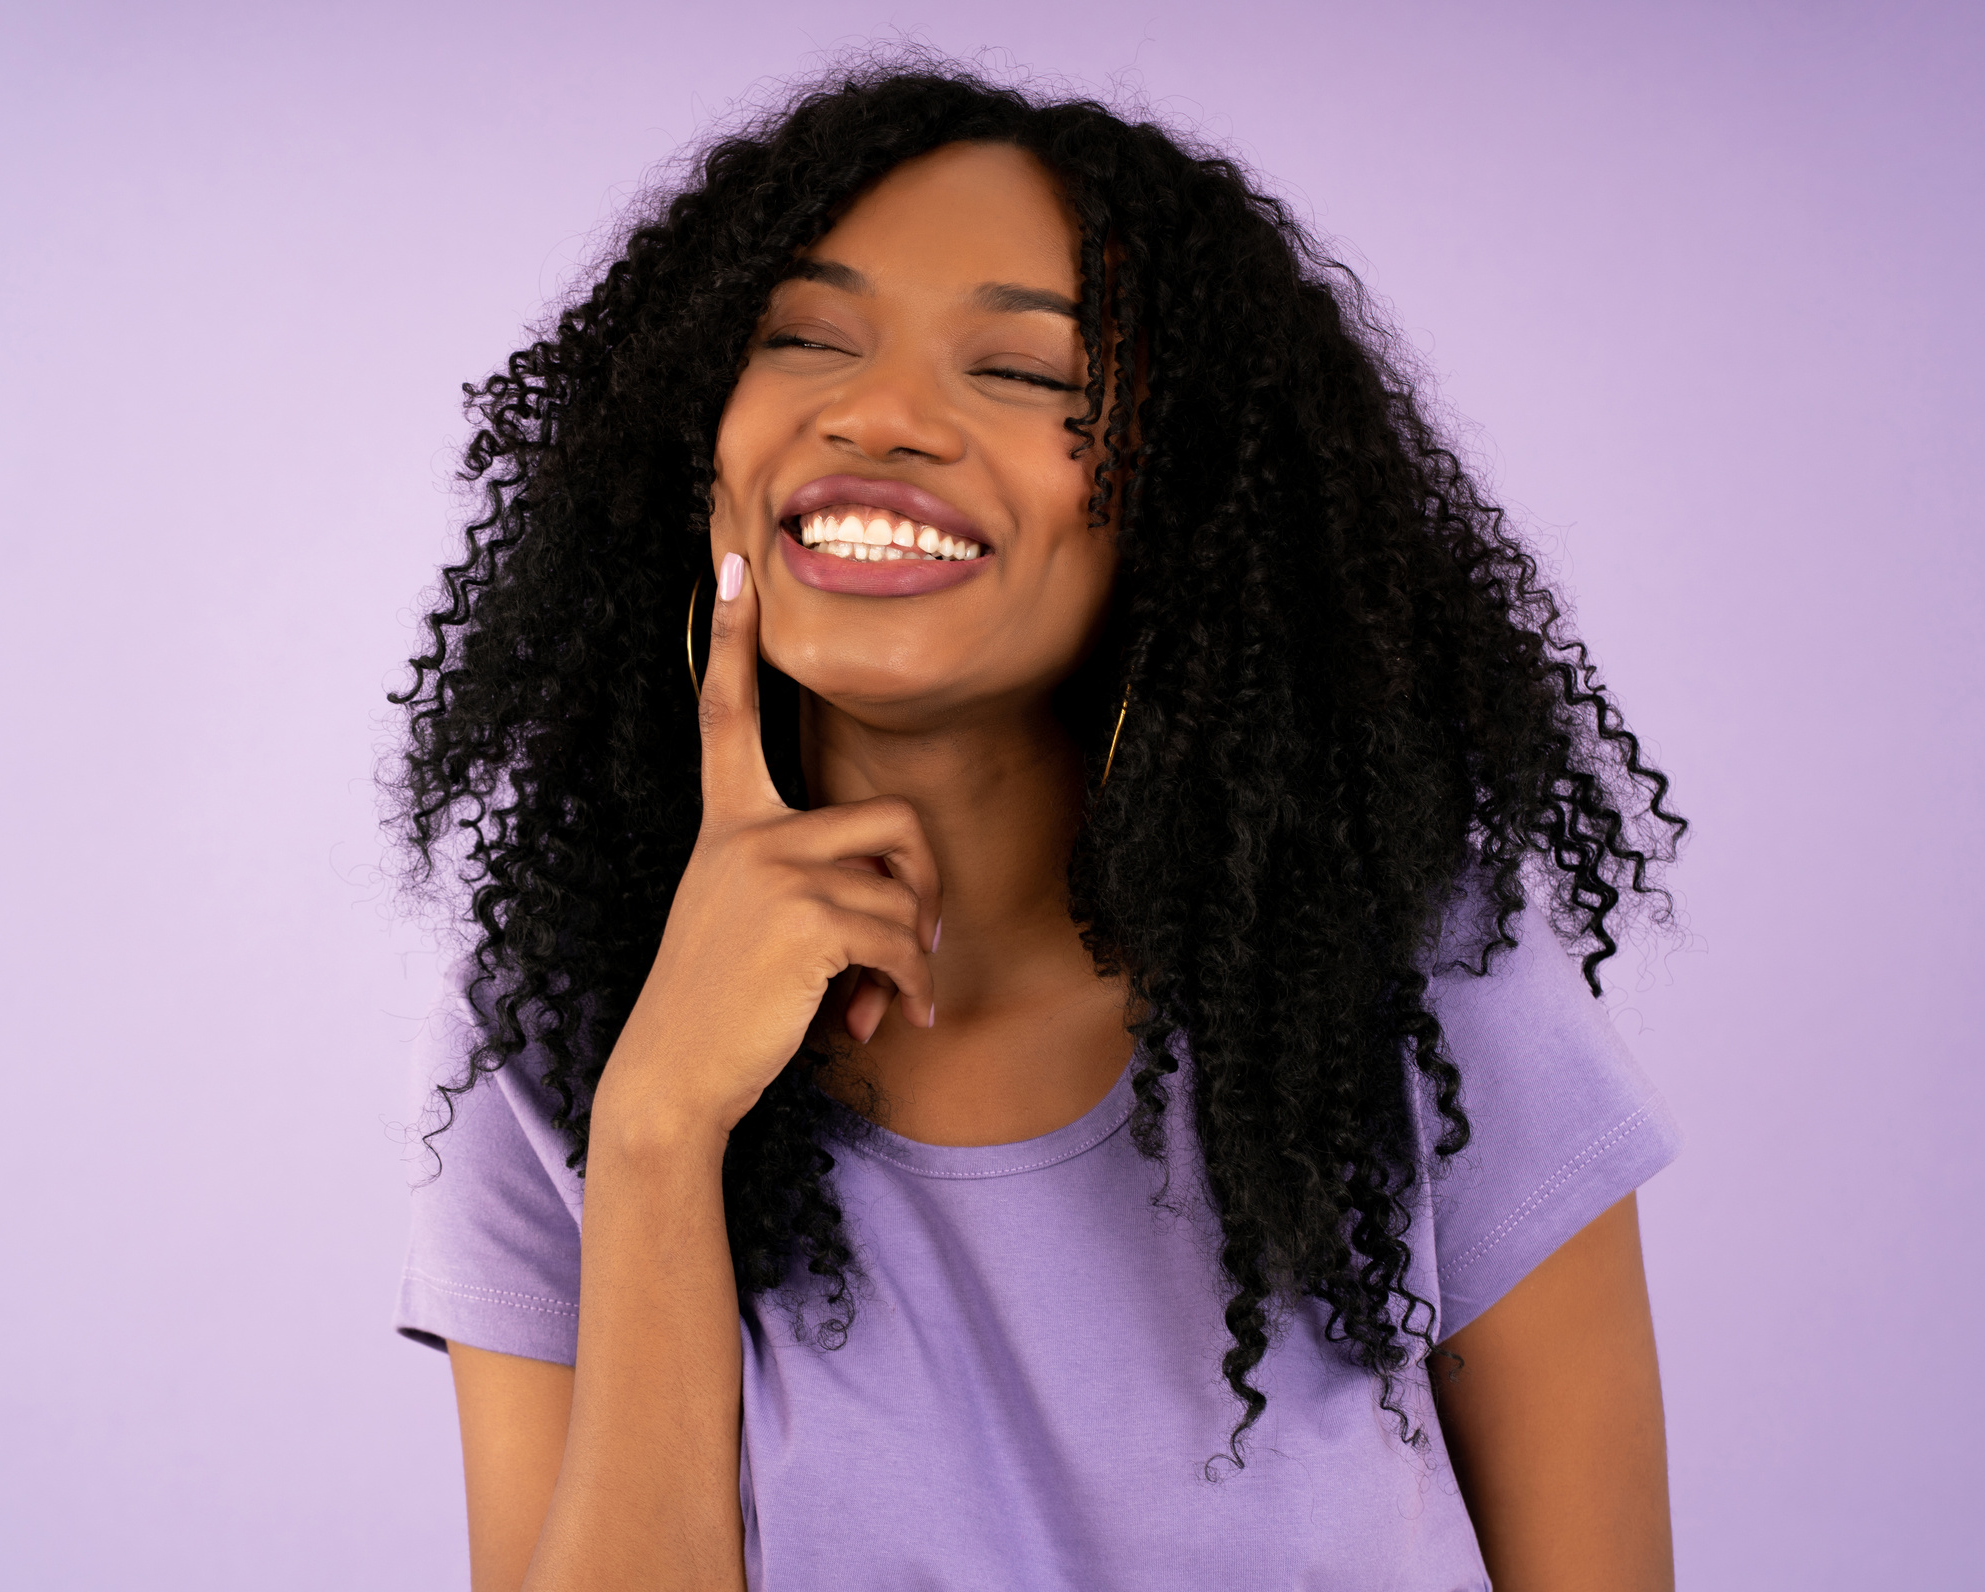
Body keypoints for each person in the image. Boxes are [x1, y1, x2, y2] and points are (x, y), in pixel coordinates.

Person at [389, 60, 1687, 1592]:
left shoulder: (1415, 974)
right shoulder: (570, 1026)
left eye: (1020, 373)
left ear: (1183, 508)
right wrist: (661, 1134)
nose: (877, 414)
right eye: (801, 338)